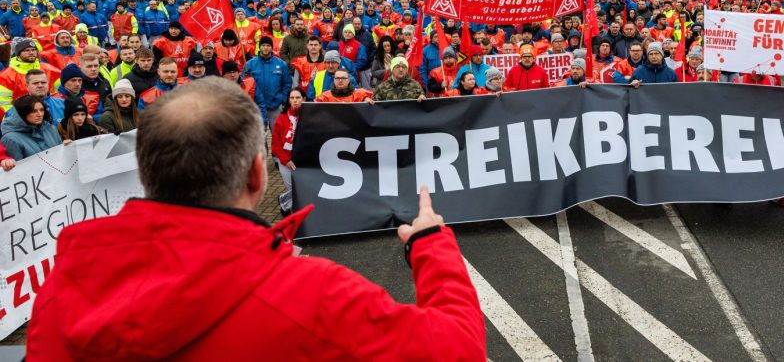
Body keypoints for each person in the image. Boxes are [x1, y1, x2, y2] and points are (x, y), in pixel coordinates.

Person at [27, 77, 485, 360]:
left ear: (146, 172)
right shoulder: (315, 295)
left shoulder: (58, 290)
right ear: (256, 172)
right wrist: (431, 246)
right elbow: (459, 349)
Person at [244, 36, 292, 129]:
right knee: (259, 139)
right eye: (263, 45)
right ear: (259, 47)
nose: (265, 48)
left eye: (268, 45)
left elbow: (287, 84)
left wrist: (283, 100)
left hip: (275, 106)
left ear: (272, 47)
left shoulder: (281, 64)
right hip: (256, 107)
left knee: (277, 136)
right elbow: (245, 85)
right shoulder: (249, 64)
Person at [0, 39, 61, 112]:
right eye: (27, 50)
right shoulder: (6, 76)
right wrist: (18, 118)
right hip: (21, 117)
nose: (31, 52)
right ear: (18, 53)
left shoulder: (51, 70)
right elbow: (4, 104)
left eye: (33, 50)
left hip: (51, 112)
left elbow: (60, 95)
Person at [1, 95, 64, 160]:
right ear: (22, 113)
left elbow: (60, 157)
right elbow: (16, 168)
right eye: (34, 111)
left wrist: (66, 147)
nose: (40, 114)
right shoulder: (10, 139)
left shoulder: (51, 129)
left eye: (42, 110)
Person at [272, 87, 303, 216]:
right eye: (292, 98)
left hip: (302, 159)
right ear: (288, 100)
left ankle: (284, 203)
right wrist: (286, 160)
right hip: (285, 160)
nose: (295, 101)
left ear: (304, 99)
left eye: (298, 98)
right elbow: (276, 144)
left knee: (301, 190)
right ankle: (288, 208)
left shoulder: (309, 116)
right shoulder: (281, 118)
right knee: (294, 190)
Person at [79, 53, 113, 121]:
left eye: (96, 66)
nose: (93, 69)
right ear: (80, 67)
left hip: (106, 121)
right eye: (89, 66)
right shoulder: (77, 85)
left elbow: (111, 103)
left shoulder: (105, 82)